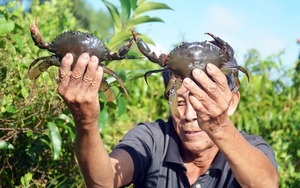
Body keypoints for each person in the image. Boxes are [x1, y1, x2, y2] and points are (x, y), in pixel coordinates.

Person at [58, 53, 278, 187]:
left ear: (231, 102)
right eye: (179, 102)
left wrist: (219, 126)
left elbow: (266, 185)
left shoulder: (252, 150)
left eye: (203, 103)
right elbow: (103, 182)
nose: (190, 115)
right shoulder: (152, 139)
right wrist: (86, 122)